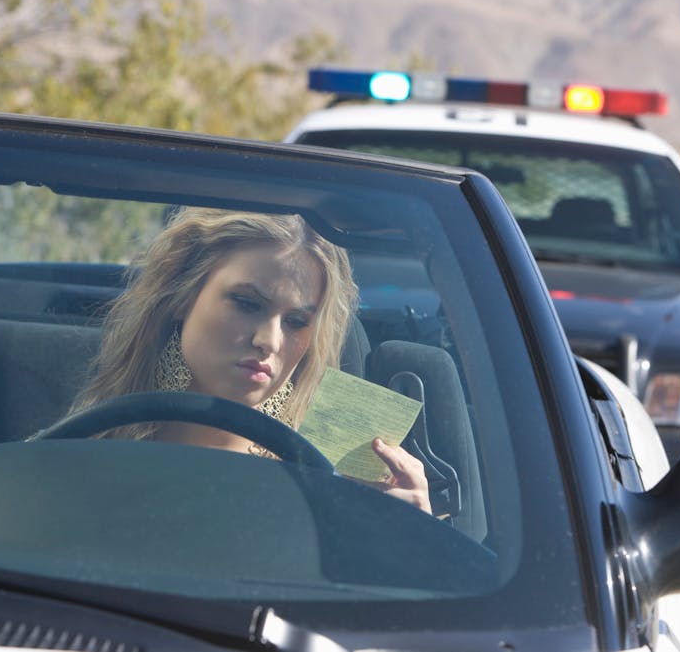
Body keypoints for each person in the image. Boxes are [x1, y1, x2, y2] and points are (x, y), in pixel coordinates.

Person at [70, 207, 431, 513]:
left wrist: (404, 539)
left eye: (296, 322)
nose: (268, 341)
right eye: (247, 304)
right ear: (182, 296)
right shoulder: (81, 448)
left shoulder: (332, 483)